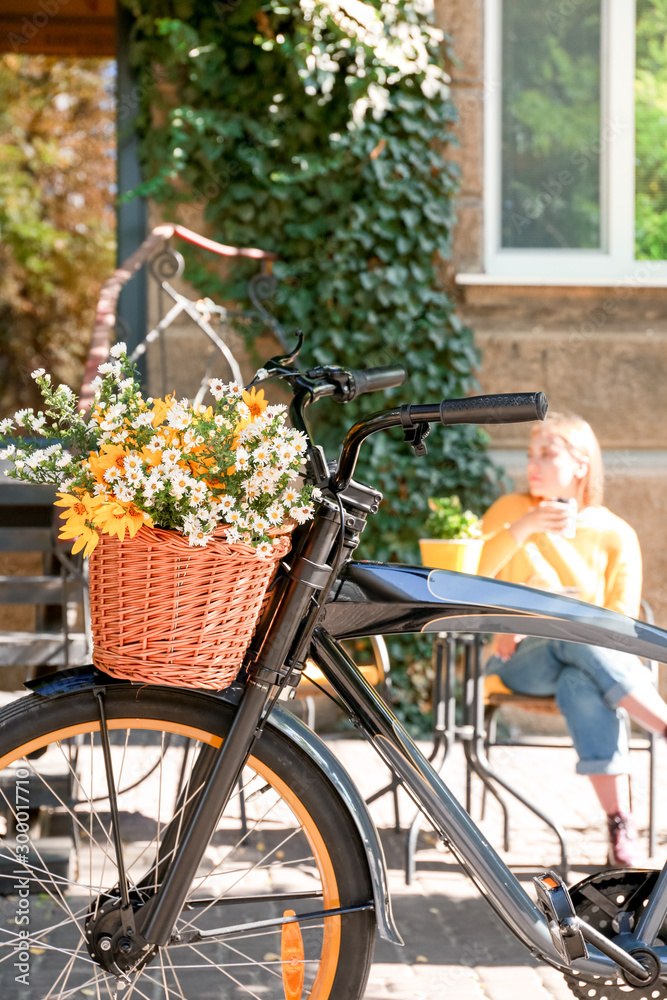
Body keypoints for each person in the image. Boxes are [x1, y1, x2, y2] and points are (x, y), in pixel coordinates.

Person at [478, 411, 667, 867]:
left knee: (579, 679)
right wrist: (525, 529)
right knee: (576, 635)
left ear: (581, 465)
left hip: (584, 660)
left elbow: (619, 626)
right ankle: (663, 722)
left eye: (547, 454)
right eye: (529, 455)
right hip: (514, 660)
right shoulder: (510, 512)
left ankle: (619, 823)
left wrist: (567, 606)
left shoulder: (615, 532)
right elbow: (470, 574)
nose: (532, 464)